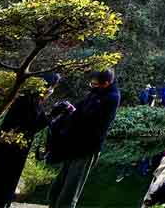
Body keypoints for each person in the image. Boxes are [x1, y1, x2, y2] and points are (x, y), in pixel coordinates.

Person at [0, 74, 59, 208]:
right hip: (11, 150)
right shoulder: (28, 100)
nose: (51, 91)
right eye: (52, 87)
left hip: (12, 149)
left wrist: (51, 116)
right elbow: (31, 126)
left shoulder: (31, 99)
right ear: (46, 85)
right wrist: (53, 115)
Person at [48, 69, 121, 208]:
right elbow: (80, 107)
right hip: (74, 143)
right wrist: (69, 108)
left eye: (96, 84)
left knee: (71, 186)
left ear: (106, 83)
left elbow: (91, 119)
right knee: (59, 183)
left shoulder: (111, 97)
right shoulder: (96, 92)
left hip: (87, 147)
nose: (93, 86)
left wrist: (74, 113)